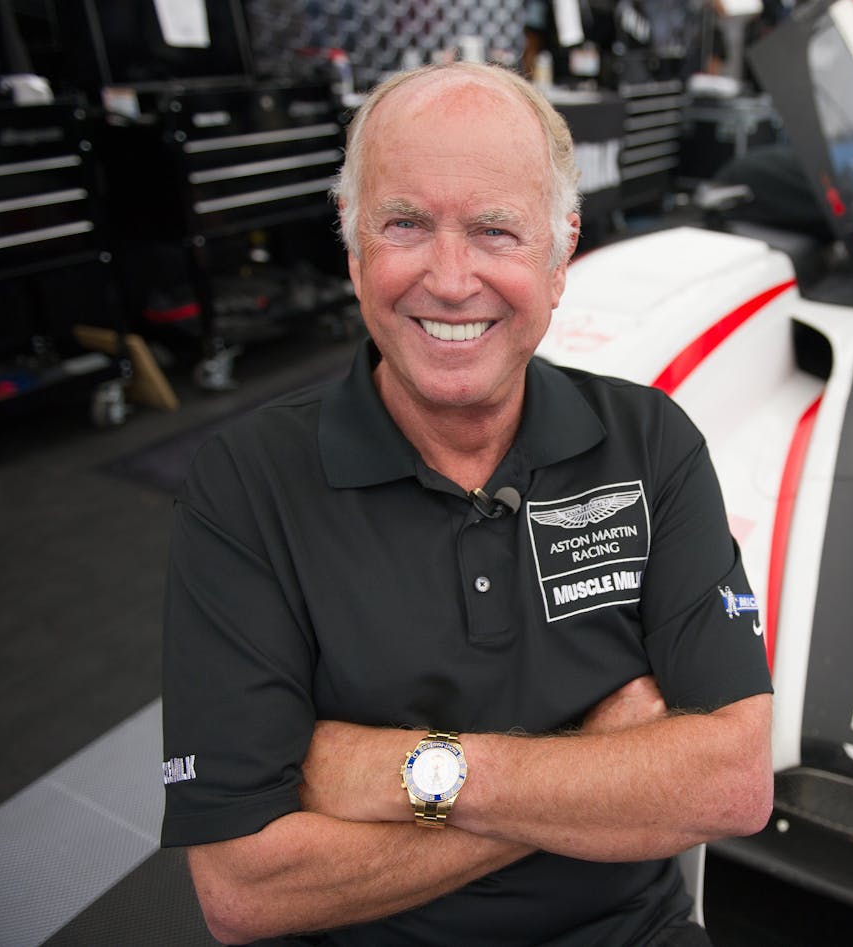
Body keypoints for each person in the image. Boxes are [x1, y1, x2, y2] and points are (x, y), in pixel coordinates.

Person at [159, 61, 775, 946]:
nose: (449, 280)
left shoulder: (651, 446)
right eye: (405, 223)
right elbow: (244, 888)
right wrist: (601, 775)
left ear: (561, 254)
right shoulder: (246, 483)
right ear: (353, 244)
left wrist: (413, 773)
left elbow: (731, 783)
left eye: (495, 231)